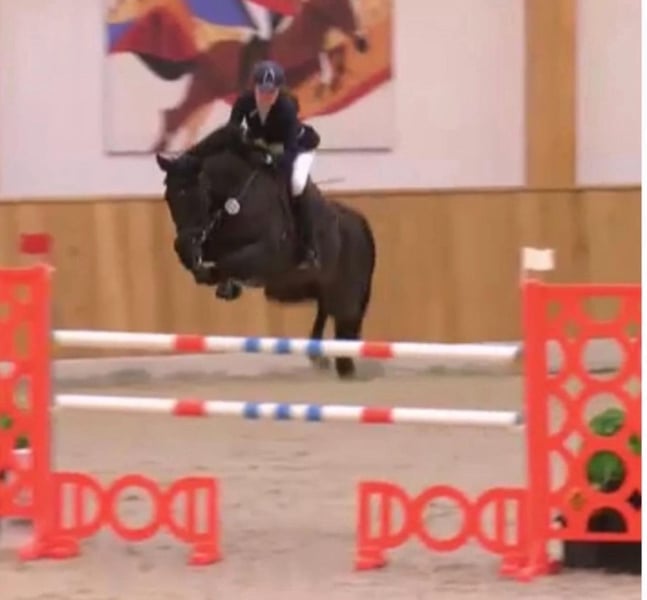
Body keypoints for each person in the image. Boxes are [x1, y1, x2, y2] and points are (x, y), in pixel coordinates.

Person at [227, 60, 321, 269]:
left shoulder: (286, 108)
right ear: (254, 88)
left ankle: (309, 246)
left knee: (297, 185)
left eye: (271, 92)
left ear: (279, 90)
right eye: (262, 91)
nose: (266, 96)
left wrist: (271, 160)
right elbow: (231, 132)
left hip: (297, 149)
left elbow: (291, 148)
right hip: (264, 149)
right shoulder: (244, 103)